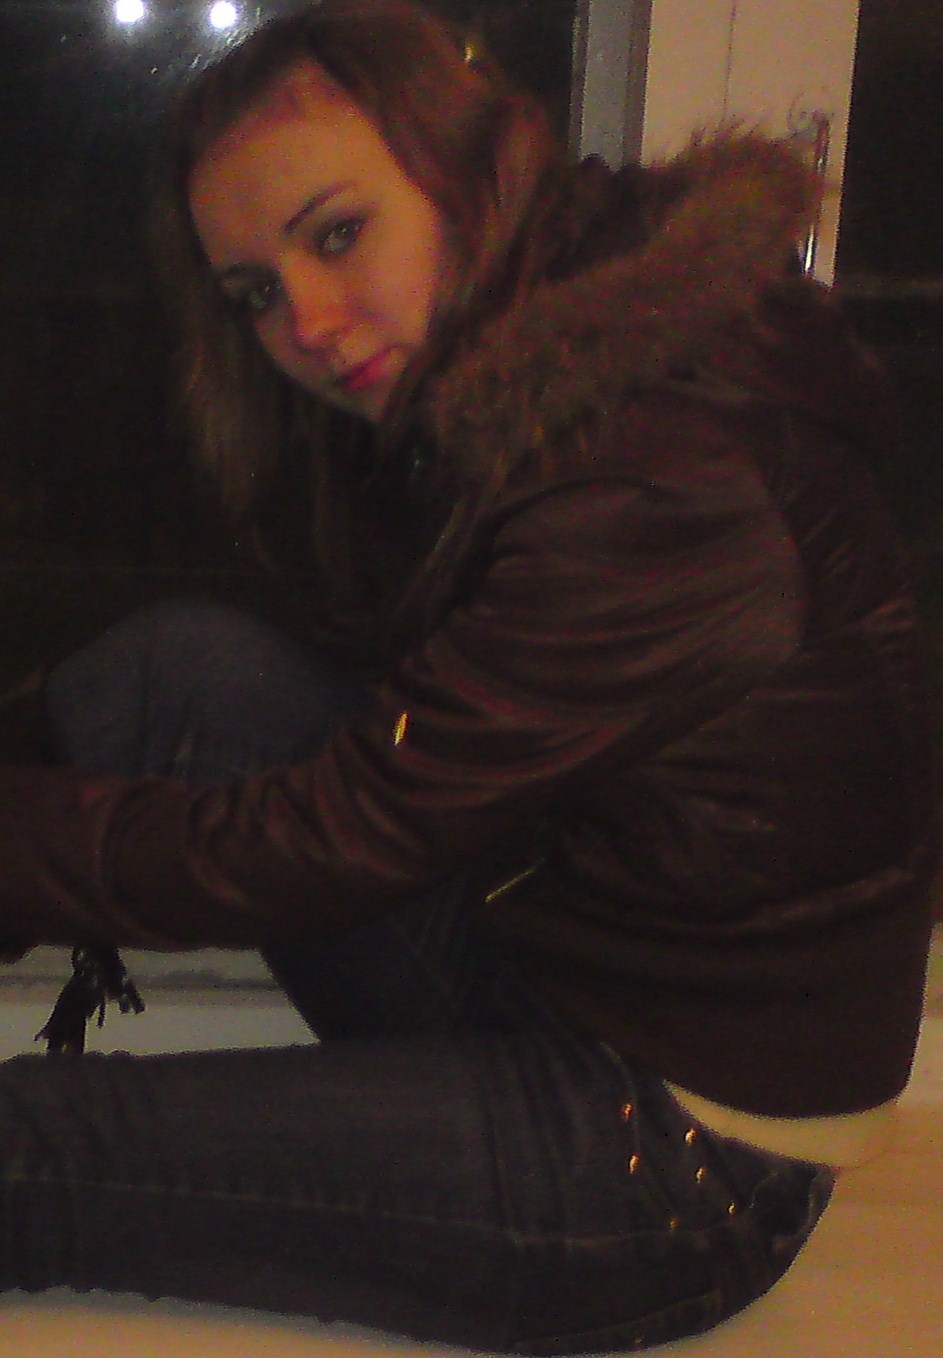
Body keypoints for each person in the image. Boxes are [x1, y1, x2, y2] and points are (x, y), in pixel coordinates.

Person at [0, 0, 936, 1350]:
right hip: (562, 965)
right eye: (255, 291)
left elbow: (340, 833)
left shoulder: (656, 472)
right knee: (185, 673)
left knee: (40, 1145)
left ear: (470, 170)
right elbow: (402, 741)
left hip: (677, 1160)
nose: (306, 322)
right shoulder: (543, 364)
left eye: (337, 234)